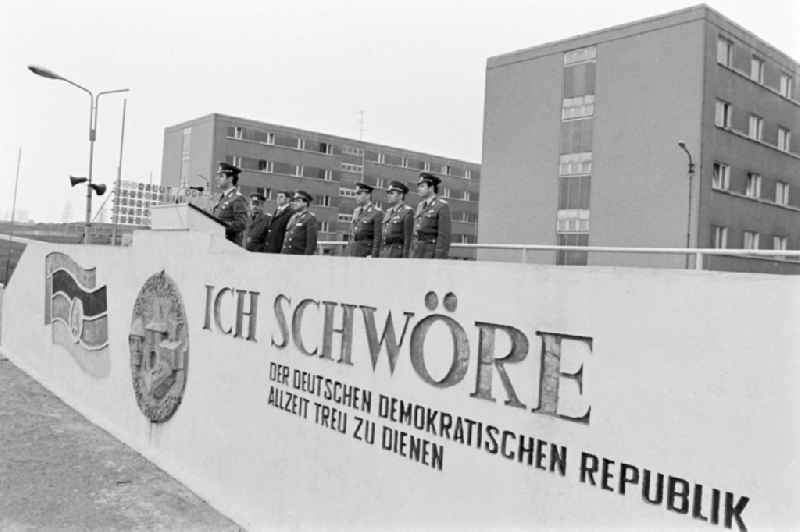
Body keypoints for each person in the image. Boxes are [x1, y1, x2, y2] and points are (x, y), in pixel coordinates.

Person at [412, 172, 451, 258]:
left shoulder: (442, 205)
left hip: (430, 253)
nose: (418, 189)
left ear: (431, 187)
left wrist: (439, 258)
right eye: (418, 186)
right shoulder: (420, 205)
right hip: (417, 252)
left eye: (422, 186)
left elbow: (443, 236)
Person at [211, 162, 250, 246]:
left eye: (221, 176)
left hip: (230, 246)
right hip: (219, 244)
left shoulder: (238, 198)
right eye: (218, 176)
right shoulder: (223, 198)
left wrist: (220, 228)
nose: (217, 179)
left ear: (230, 179)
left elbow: (241, 223)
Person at [380, 180, 414, 258]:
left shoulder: (407, 212)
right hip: (384, 253)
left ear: (401, 195)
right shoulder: (388, 212)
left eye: (392, 193)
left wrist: (404, 260)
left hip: (397, 254)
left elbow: (408, 240)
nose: (388, 195)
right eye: (388, 193)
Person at [349, 182, 383, 257]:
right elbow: (352, 235)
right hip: (354, 253)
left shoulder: (376, 212)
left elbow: (378, 239)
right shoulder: (356, 211)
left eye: (359, 193)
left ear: (368, 195)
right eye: (355, 194)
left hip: (366, 254)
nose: (356, 196)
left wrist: (373, 256)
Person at [281, 190, 318, 255]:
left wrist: (306, 259)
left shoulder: (310, 218)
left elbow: (311, 244)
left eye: (298, 201)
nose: (294, 203)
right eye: (294, 201)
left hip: (298, 257)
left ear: (305, 203)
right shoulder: (293, 217)